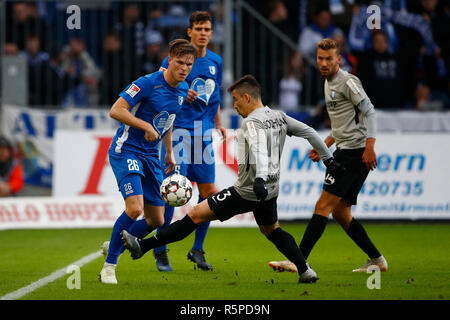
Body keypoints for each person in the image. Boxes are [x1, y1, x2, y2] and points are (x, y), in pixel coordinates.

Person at [121, 74, 346, 284]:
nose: (235, 106)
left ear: (247, 97)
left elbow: (258, 150)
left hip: (248, 190)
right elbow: (309, 131)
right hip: (271, 189)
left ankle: (143, 245)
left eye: (237, 100)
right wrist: (329, 160)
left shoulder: (250, 123)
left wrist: (258, 178)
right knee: (272, 230)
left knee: (195, 215)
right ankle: (306, 270)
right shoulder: (279, 117)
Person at [268, 38, 388, 273]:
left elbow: (370, 112)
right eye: (320, 58)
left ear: (338, 59)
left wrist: (370, 146)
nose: (324, 63)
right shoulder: (328, 82)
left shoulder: (347, 82)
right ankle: (376, 259)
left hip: (353, 154)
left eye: (329, 59)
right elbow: (343, 124)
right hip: (347, 150)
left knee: (322, 206)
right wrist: (326, 143)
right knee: (341, 213)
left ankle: (298, 260)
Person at [99, 39, 197, 284]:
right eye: (180, 62)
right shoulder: (147, 83)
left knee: (157, 220)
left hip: (152, 155)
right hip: (127, 150)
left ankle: (114, 245)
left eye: (189, 64)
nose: (184, 68)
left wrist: (169, 151)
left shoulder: (183, 89)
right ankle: (109, 268)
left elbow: (169, 119)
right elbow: (116, 110)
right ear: (169, 59)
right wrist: (144, 125)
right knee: (135, 209)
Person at [153, 11, 226, 272]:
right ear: (189, 31)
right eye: (199, 28)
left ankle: (197, 249)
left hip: (204, 134)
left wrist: (218, 123)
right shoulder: (175, 59)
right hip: (180, 132)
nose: (203, 33)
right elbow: (159, 89)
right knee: (174, 192)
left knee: (208, 194)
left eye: (207, 29)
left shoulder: (216, 61)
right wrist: (182, 90)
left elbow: (215, 96)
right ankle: (160, 249)